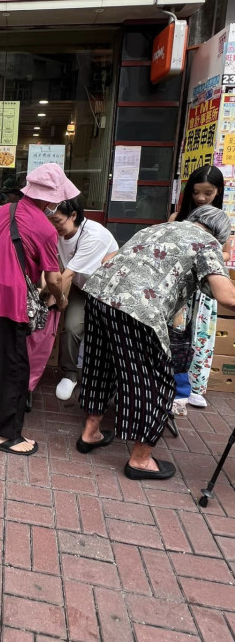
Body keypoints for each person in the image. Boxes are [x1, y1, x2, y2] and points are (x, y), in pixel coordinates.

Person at [78, 205, 235, 480]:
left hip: (98, 292)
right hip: (138, 308)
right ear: (221, 234)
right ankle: (140, 460)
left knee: (100, 363)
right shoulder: (207, 243)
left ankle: (90, 433)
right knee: (155, 381)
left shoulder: (159, 227)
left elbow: (109, 257)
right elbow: (227, 297)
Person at [0, 163, 77, 456]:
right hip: (8, 298)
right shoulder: (45, 229)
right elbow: (52, 279)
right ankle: (3, 434)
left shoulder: (2, 211)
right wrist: (61, 301)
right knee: (13, 365)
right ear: (51, 199)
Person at [47, 197, 118, 400]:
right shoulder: (58, 232)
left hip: (108, 290)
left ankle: (109, 379)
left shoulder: (93, 236)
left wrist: (58, 299)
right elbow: (58, 269)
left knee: (106, 334)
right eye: (51, 219)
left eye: (58, 220)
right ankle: (70, 374)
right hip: (81, 286)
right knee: (71, 328)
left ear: (74, 216)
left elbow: (66, 274)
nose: (54, 225)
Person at [169, 165, 226, 409]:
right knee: (176, 338)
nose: (201, 198)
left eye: (208, 193)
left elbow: (224, 254)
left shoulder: (221, 222)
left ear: (218, 192)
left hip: (204, 291)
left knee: (199, 339)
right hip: (180, 290)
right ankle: (172, 384)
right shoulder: (176, 219)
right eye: (196, 192)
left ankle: (193, 386)